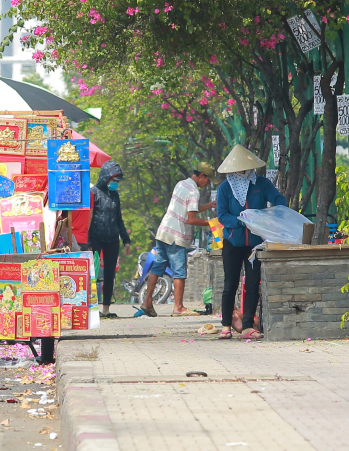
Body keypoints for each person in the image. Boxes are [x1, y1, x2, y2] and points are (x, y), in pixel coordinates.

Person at [215, 145, 287, 340]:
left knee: (253, 283)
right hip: (232, 242)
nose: (242, 172)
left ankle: (248, 326)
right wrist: (241, 220)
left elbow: (278, 199)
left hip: (255, 244)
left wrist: (274, 214)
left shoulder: (261, 184)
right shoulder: (225, 188)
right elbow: (222, 215)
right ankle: (226, 325)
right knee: (230, 284)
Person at [139, 163, 217, 318]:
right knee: (179, 272)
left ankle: (147, 302)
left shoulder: (181, 184)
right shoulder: (194, 191)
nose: (207, 184)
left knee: (157, 268)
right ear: (202, 176)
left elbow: (189, 208)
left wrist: (209, 205)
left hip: (164, 232)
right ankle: (178, 307)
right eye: (207, 180)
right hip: (176, 236)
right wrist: (212, 223)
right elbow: (191, 219)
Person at [87, 160, 132, 318]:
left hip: (112, 238)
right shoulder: (93, 193)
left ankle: (106, 309)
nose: (115, 184)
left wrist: (126, 240)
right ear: (105, 177)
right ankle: (92, 309)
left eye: (117, 181)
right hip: (95, 238)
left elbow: (119, 218)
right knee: (93, 273)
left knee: (109, 275)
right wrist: (87, 240)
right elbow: (89, 217)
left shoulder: (114, 194)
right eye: (113, 180)